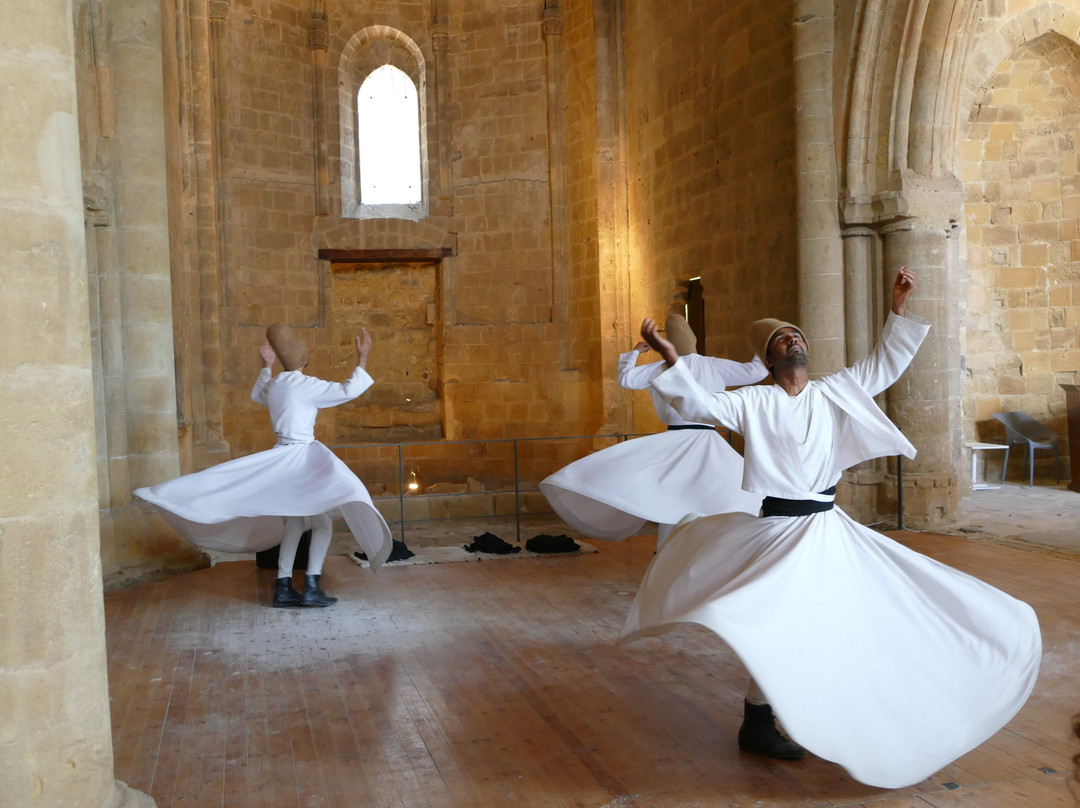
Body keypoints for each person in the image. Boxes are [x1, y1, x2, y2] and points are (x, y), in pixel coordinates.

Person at [622, 268, 1042, 788]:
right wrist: (668, 356)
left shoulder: (833, 390)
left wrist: (898, 311)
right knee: (778, 622)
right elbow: (703, 404)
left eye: (796, 334)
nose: (794, 339)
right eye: (782, 338)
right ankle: (758, 722)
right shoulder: (754, 400)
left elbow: (883, 366)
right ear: (770, 359)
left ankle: (822, 712)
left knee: (845, 615)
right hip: (778, 528)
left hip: (826, 526)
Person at [135, 323, 392, 607]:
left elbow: (258, 394)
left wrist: (266, 366)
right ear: (304, 359)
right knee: (320, 524)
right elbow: (348, 391)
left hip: (281, 458)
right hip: (300, 460)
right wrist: (363, 356)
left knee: (296, 524)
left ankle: (285, 584)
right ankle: (310, 585)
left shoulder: (277, 385)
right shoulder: (307, 385)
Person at [540, 314, 766, 548]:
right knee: (710, 495)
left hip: (682, 442)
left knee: (672, 497)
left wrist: (635, 353)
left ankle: (674, 552)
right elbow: (756, 372)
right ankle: (695, 551)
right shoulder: (713, 365)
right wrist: (763, 344)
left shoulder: (661, 368)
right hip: (699, 441)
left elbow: (626, 378)